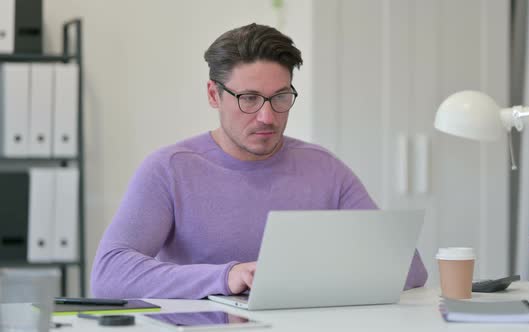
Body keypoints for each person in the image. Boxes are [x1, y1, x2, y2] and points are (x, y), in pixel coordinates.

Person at [91, 23, 427, 299]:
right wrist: (227, 277)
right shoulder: (170, 169)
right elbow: (109, 274)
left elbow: (408, 268)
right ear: (213, 95)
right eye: (249, 98)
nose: (267, 116)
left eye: (280, 97)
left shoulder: (324, 169)